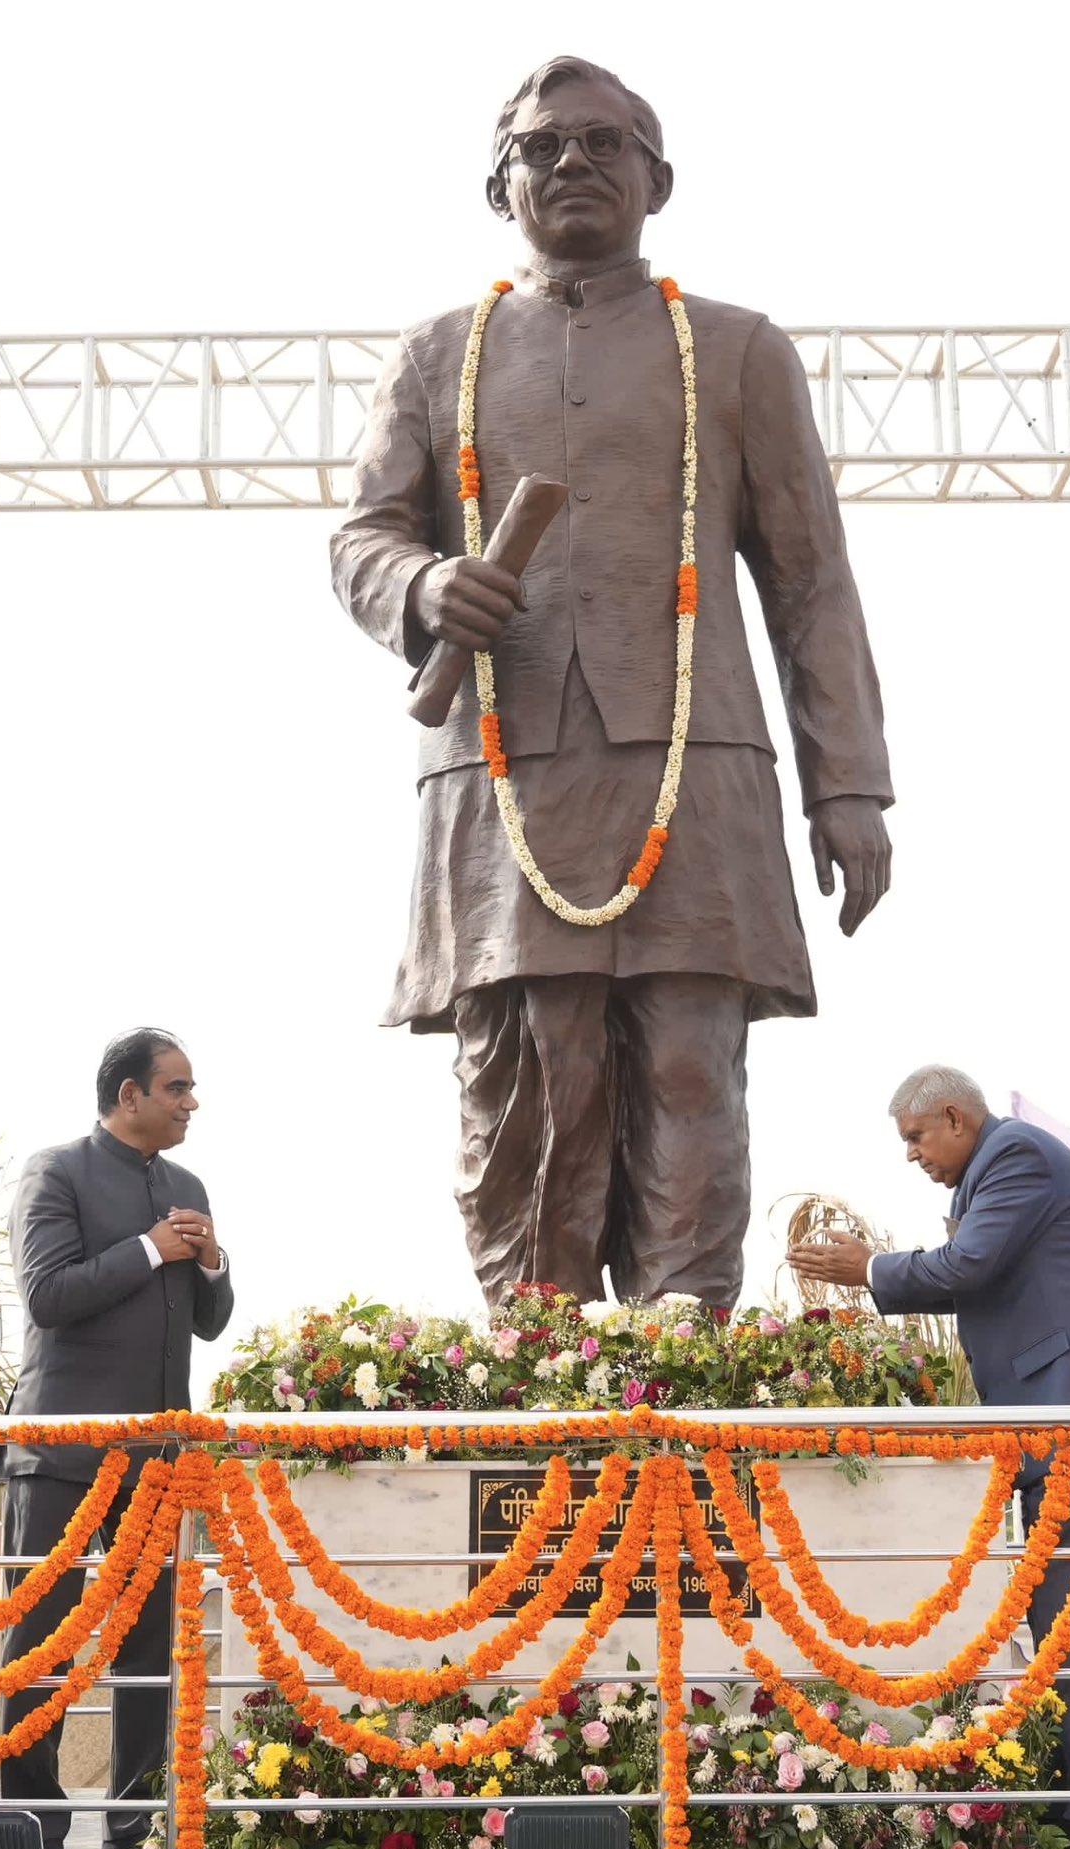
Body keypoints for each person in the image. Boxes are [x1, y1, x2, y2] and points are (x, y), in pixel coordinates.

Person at [331, 55, 892, 1310]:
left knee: (692, 1068)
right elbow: (361, 538)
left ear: (657, 180)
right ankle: (542, 1370)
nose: (571, 163)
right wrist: (423, 590)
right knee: (526, 1076)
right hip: (500, 772)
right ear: (499, 187)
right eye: (541, 148)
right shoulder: (435, 356)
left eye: (601, 144)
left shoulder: (738, 351)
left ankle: (678, 1364)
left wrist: (846, 785)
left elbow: (810, 583)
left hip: (697, 765)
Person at [788, 1066, 1070, 1849]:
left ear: (954, 1116)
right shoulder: (988, 1169)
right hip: (1050, 1421)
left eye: (917, 1137)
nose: (914, 1155)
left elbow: (967, 1269)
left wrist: (872, 1270)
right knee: (1059, 1619)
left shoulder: (1015, 1155)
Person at [0, 1029, 235, 1849]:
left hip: (157, 1462)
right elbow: (49, 1294)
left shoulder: (187, 1185)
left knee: (148, 1652)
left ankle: (140, 1833)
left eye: (192, 1088)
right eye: (177, 1088)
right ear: (128, 1095)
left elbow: (210, 1321)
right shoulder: (55, 1171)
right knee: (42, 1646)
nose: (191, 1102)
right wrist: (148, 1250)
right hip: (60, 1455)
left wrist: (211, 1262)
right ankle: (29, 1836)